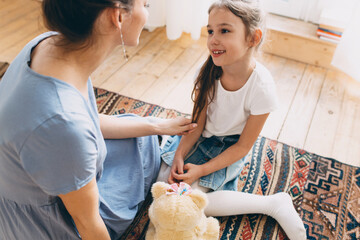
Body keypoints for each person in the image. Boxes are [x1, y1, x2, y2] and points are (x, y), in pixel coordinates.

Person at [0, 0, 197, 239]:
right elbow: (87, 223)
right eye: (145, 4)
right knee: (144, 149)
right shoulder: (62, 123)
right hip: (48, 225)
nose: (147, 11)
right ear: (118, 16)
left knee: (140, 134)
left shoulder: (48, 42)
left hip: (40, 174)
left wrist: (156, 125)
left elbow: (87, 119)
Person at [156, 1, 307, 239]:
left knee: (201, 201)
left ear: (253, 38)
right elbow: (197, 125)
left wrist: (201, 170)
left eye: (224, 31)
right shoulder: (206, 73)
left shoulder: (262, 88)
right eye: (210, 31)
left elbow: (243, 146)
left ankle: (273, 204)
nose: (213, 39)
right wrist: (180, 155)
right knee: (166, 185)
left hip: (230, 146)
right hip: (201, 137)